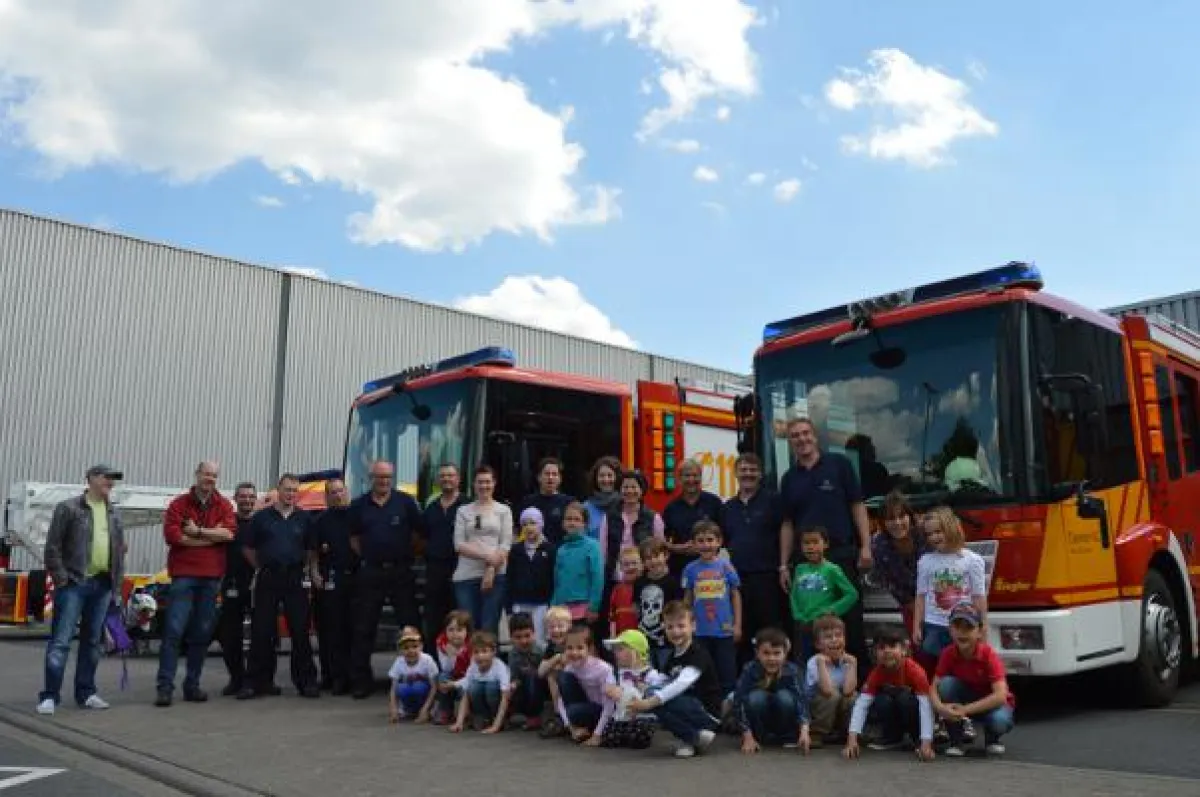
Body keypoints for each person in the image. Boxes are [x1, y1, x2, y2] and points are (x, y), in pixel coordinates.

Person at [778, 417, 872, 678]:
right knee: (808, 628)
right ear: (790, 442)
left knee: (850, 624)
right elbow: (787, 524)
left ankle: (860, 689)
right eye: (795, 435)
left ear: (815, 436)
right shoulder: (788, 479)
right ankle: (812, 689)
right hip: (805, 562)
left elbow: (857, 505)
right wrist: (784, 565)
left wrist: (866, 546)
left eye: (805, 433)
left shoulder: (839, 465)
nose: (801, 439)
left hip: (840, 554)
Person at [37, 464, 127, 715]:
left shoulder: (114, 513)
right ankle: (50, 696)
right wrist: (62, 579)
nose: (110, 482)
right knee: (61, 641)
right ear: (90, 479)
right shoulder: (69, 508)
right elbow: (52, 548)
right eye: (106, 477)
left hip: (102, 584)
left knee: (92, 642)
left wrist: (116, 586)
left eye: (113, 478)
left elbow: (119, 552)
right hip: (75, 584)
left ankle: (86, 692)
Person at [157, 461, 237, 708]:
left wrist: (197, 532)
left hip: (211, 578)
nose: (209, 479)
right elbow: (173, 537)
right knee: (173, 632)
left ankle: (192, 685)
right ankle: (165, 688)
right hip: (183, 576)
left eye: (214, 475)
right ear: (197, 475)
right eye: (206, 474)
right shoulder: (178, 504)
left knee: (201, 635)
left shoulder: (224, 504)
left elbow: (229, 535)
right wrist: (211, 538)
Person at [239, 473, 319, 700]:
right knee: (261, 631)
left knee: (300, 631)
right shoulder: (261, 518)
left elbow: (311, 550)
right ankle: (255, 682)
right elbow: (247, 548)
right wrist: (262, 566)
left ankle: (306, 681)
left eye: (295, 491)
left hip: (294, 579)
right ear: (278, 489)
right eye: (287, 489)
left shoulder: (305, 520)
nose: (291, 494)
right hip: (268, 578)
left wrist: (307, 570)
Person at [349, 460, 424, 699]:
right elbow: (354, 539)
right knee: (364, 627)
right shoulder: (359, 505)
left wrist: (402, 555)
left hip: (401, 572)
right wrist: (372, 557)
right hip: (371, 572)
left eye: (387, 477)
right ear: (371, 478)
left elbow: (418, 536)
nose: (383, 481)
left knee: (410, 625)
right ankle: (361, 681)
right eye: (379, 477)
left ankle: (416, 675)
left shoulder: (405, 503)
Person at [625, 601, 721, 759]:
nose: (676, 631)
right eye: (670, 627)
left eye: (681, 626)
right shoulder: (673, 655)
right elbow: (661, 681)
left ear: (693, 626)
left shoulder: (698, 653)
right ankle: (693, 737)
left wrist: (649, 703)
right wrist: (640, 691)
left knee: (655, 698)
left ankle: (693, 737)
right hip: (687, 705)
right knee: (650, 692)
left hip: (707, 712)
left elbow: (681, 683)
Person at [720, 452, 785, 666]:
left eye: (752, 469)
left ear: (760, 474)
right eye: (743, 469)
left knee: (769, 631)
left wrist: (783, 566)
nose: (748, 474)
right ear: (736, 473)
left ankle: (774, 677)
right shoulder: (727, 508)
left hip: (767, 576)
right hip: (738, 580)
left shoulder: (774, 501)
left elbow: (785, 531)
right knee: (742, 631)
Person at [931, 602, 1014, 757]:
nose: (962, 633)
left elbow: (1000, 695)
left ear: (980, 632)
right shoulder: (947, 653)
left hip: (992, 705)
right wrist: (941, 709)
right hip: (966, 702)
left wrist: (964, 710)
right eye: (957, 627)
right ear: (950, 630)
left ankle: (992, 740)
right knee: (946, 685)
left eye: (968, 627)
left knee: (999, 720)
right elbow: (934, 686)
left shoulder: (989, 655)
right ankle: (956, 741)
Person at [844, 627, 935, 761]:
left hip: (914, 715)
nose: (887, 651)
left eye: (892, 646)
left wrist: (927, 742)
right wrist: (851, 740)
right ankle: (892, 737)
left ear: (904, 650)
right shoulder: (876, 673)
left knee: (905, 699)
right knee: (881, 700)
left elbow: (926, 707)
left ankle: (918, 740)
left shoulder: (915, 671)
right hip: (893, 712)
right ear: (875, 653)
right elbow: (861, 705)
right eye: (881, 647)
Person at [912, 507, 987, 667]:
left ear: (950, 528)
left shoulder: (972, 560)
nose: (933, 537)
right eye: (929, 534)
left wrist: (983, 626)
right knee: (939, 666)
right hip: (934, 625)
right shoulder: (925, 561)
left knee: (963, 665)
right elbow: (921, 595)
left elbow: (978, 596)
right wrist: (917, 626)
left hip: (963, 625)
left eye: (938, 531)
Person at [597, 470, 665, 638]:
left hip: (644, 580)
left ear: (641, 490)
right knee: (617, 622)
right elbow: (603, 550)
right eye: (625, 487)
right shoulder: (609, 517)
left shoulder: (653, 518)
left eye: (634, 487)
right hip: (616, 579)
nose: (629, 491)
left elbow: (659, 548)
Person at [681, 520, 741, 700]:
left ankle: (729, 713)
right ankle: (707, 711)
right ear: (693, 543)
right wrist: (686, 624)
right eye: (700, 540)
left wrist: (737, 625)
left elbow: (735, 596)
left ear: (719, 541)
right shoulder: (690, 569)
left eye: (710, 540)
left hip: (724, 631)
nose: (706, 545)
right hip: (699, 631)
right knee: (702, 674)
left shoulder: (726, 566)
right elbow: (688, 598)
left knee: (727, 675)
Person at [307, 477, 356, 695]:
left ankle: (352, 676)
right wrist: (314, 572)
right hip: (330, 581)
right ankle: (332, 677)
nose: (338, 495)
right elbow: (313, 551)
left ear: (347, 492)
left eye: (341, 491)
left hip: (355, 579)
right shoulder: (320, 521)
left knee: (352, 631)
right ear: (327, 497)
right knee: (330, 632)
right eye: (333, 492)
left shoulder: (357, 516)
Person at [452, 465, 513, 635]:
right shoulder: (463, 511)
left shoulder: (504, 511)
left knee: (488, 627)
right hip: (466, 576)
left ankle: (488, 662)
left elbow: (505, 544)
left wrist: (491, 569)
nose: (484, 486)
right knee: (468, 627)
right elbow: (459, 544)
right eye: (480, 482)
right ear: (473, 484)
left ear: (494, 484)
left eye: (487, 482)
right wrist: (488, 556)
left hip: (496, 577)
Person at [733, 627, 810, 754]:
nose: (772, 658)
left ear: (785, 654)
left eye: (776, 653)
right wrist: (747, 735)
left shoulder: (792, 671)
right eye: (766, 653)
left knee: (785, 697)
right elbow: (738, 702)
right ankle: (757, 736)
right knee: (756, 698)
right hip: (759, 718)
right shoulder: (750, 670)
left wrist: (805, 731)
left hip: (783, 716)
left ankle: (786, 736)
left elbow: (802, 700)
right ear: (757, 653)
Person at [789, 526, 859, 664]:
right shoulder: (799, 569)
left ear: (825, 544)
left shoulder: (832, 569)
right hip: (804, 624)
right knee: (804, 661)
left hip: (824, 627)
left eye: (815, 542)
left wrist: (831, 611)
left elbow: (852, 594)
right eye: (806, 543)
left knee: (827, 661)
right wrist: (798, 615)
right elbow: (794, 595)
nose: (811, 547)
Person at [870, 490, 927, 643]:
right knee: (919, 646)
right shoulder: (878, 545)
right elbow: (891, 583)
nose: (897, 523)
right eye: (890, 519)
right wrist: (915, 607)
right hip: (909, 604)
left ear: (910, 516)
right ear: (882, 522)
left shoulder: (925, 535)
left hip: (938, 601)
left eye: (902, 516)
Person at [217, 482, 257, 697]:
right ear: (235, 498)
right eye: (243, 496)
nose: (247, 500)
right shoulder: (227, 522)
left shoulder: (261, 522)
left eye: (251, 496)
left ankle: (258, 680)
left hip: (258, 585)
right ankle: (236, 678)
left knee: (260, 635)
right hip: (231, 584)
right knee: (229, 635)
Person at [421, 463, 466, 658]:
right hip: (435, 570)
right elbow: (422, 538)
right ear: (438, 480)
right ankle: (434, 664)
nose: (447, 479)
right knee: (433, 620)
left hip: (461, 568)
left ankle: (460, 664)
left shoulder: (468, 506)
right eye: (443, 476)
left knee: (459, 619)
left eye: (451, 476)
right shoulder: (431, 508)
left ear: (458, 479)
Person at [594, 629, 663, 749]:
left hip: (642, 717)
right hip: (620, 716)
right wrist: (610, 690)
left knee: (639, 735)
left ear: (635, 652)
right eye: (615, 650)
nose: (615, 654)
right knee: (609, 737)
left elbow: (659, 697)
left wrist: (644, 691)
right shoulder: (616, 673)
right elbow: (609, 698)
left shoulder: (651, 674)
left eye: (620, 649)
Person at [662, 459, 723, 581]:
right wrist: (677, 548)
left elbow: (724, 536)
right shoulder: (671, 508)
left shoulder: (714, 503)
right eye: (687, 475)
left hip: (711, 570)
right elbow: (662, 541)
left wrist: (705, 547)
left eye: (695, 475)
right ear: (679, 479)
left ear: (701, 478)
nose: (691, 480)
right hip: (680, 569)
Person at [555, 625, 614, 744]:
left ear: (590, 649)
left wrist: (597, 735)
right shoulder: (569, 668)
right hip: (583, 709)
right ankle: (580, 729)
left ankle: (593, 730)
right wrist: (571, 728)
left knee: (572, 711)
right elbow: (560, 701)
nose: (574, 652)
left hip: (604, 712)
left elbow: (610, 704)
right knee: (563, 677)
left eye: (580, 648)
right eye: (569, 648)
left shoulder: (603, 669)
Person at [806, 615, 858, 746]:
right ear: (818, 644)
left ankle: (847, 731)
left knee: (853, 697)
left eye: (839, 635)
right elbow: (827, 690)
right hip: (818, 708)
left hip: (838, 706)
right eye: (828, 637)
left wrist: (853, 665)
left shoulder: (847, 661)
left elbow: (848, 691)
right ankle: (817, 732)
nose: (834, 640)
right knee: (832, 695)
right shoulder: (814, 661)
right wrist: (822, 664)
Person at [506, 507, 555, 644]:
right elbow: (509, 578)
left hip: (542, 603)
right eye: (525, 524)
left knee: (539, 640)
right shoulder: (516, 550)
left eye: (532, 523)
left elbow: (554, 579)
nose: (529, 527)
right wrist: (509, 607)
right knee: (520, 639)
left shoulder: (549, 549)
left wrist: (551, 604)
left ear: (540, 524)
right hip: (519, 603)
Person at [633, 537, 683, 669]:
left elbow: (678, 609)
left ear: (666, 555)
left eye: (656, 556)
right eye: (647, 558)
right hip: (644, 639)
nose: (652, 561)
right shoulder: (639, 582)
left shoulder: (673, 582)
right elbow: (636, 606)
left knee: (665, 670)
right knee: (646, 671)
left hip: (666, 640)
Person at [550, 503, 604, 624]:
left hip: (583, 609)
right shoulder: (561, 549)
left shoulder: (593, 546)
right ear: (563, 523)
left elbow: (597, 578)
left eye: (577, 519)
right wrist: (553, 606)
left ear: (584, 524)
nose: (572, 523)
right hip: (562, 610)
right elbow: (557, 581)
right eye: (569, 519)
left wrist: (594, 607)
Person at [449, 631, 511, 734]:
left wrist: (496, 727)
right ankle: (482, 717)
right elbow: (466, 695)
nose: (480, 656)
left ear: (493, 651)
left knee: (490, 687)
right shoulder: (473, 666)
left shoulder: (500, 667)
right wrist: (459, 722)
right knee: (473, 687)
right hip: (481, 702)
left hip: (498, 703)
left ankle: (498, 720)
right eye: (476, 652)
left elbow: (505, 697)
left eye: (484, 651)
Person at [518, 457, 575, 546]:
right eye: (547, 474)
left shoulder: (569, 503)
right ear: (539, 477)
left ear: (560, 479)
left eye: (554, 474)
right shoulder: (528, 502)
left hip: (560, 553)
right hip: (535, 553)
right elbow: (520, 531)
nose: (550, 477)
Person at [387, 626, 438, 723]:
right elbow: (393, 689)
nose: (411, 651)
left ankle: (425, 711)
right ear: (400, 649)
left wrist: (425, 709)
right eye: (406, 648)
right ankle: (408, 710)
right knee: (401, 688)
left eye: (414, 646)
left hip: (425, 697)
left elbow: (434, 687)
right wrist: (393, 708)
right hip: (408, 695)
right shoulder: (399, 662)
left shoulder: (427, 660)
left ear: (421, 646)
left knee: (418, 686)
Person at [536, 606, 574, 738]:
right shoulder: (552, 647)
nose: (556, 630)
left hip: (576, 683)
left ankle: (559, 713)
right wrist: (556, 658)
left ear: (569, 626)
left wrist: (559, 665)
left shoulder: (574, 643)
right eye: (552, 627)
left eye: (560, 626)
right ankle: (557, 714)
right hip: (558, 687)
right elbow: (540, 671)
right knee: (550, 673)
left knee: (553, 673)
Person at [506, 612, 546, 731]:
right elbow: (514, 676)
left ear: (534, 633)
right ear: (511, 637)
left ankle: (535, 715)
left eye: (527, 635)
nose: (524, 641)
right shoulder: (513, 654)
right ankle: (517, 712)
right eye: (518, 637)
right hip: (523, 688)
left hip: (540, 687)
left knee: (532, 676)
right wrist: (513, 684)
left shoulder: (541, 650)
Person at [432, 610, 473, 725]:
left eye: (459, 630)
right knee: (442, 677)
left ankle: (471, 712)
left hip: (468, 678)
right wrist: (451, 656)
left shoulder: (472, 645)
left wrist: (456, 684)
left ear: (467, 631)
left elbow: (473, 673)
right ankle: (445, 710)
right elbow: (446, 668)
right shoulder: (442, 642)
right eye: (451, 630)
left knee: (469, 687)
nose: (455, 634)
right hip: (453, 675)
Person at [582, 456, 622, 541]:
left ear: (617, 477)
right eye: (602, 476)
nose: (606, 480)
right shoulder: (585, 508)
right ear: (595, 479)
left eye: (610, 475)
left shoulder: (625, 505)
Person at [608, 546, 642, 636]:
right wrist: (613, 636)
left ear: (642, 565)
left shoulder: (646, 587)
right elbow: (612, 617)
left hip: (642, 636)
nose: (631, 567)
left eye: (634, 563)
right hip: (622, 636)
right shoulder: (617, 590)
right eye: (626, 564)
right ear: (620, 567)